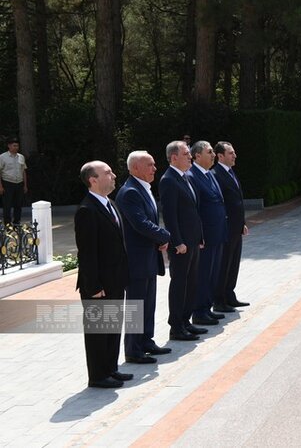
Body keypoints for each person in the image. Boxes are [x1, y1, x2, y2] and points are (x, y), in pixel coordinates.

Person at [74, 160, 131, 388]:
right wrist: (94, 286)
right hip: (98, 285)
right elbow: (87, 254)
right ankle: (98, 376)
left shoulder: (110, 204)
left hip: (115, 279)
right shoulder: (87, 210)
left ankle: (111, 369)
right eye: (108, 173)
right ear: (93, 180)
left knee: (113, 328)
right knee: (98, 332)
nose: (114, 175)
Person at [116, 151, 172, 364]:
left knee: (148, 303)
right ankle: (133, 349)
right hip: (136, 260)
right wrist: (165, 236)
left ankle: (146, 341)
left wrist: (158, 240)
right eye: (150, 165)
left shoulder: (143, 188)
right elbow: (140, 223)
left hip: (148, 257)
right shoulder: (129, 192)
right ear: (135, 168)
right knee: (136, 306)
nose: (154, 168)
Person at [160, 141, 205, 341]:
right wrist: (177, 241)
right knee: (180, 284)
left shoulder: (185, 177)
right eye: (186, 154)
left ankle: (186, 321)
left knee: (192, 282)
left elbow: (193, 211)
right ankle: (176, 327)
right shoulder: (168, 180)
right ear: (174, 157)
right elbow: (170, 215)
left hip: (192, 241)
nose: (190, 157)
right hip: (181, 245)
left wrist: (200, 237)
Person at [186, 140, 228, 327]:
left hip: (217, 233)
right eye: (209, 152)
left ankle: (207, 308)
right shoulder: (192, 176)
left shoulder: (209, 174)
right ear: (197, 156)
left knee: (212, 274)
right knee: (203, 275)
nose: (213, 155)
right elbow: (195, 209)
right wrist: (199, 235)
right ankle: (199, 311)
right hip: (206, 236)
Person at [211, 141, 249, 311]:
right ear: (220, 156)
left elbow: (237, 200)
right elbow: (220, 203)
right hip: (225, 228)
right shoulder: (215, 174)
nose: (235, 156)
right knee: (224, 264)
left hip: (236, 227)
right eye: (231, 153)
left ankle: (229, 294)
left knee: (233, 263)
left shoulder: (230, 172)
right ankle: (219, 300)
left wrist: (243, 223)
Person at [0, 137, 28, 226]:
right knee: (7, 205)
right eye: (14, 146)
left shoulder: (21, 157)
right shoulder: (2, 157)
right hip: (7, 183)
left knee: (18, 204)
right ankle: (7, 224)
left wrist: (25, 185)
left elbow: (23, 171)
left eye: (17, 146)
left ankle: (16, 223)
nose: (16, 147)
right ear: (9, 146)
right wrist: (0, 186)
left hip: (19, 183)